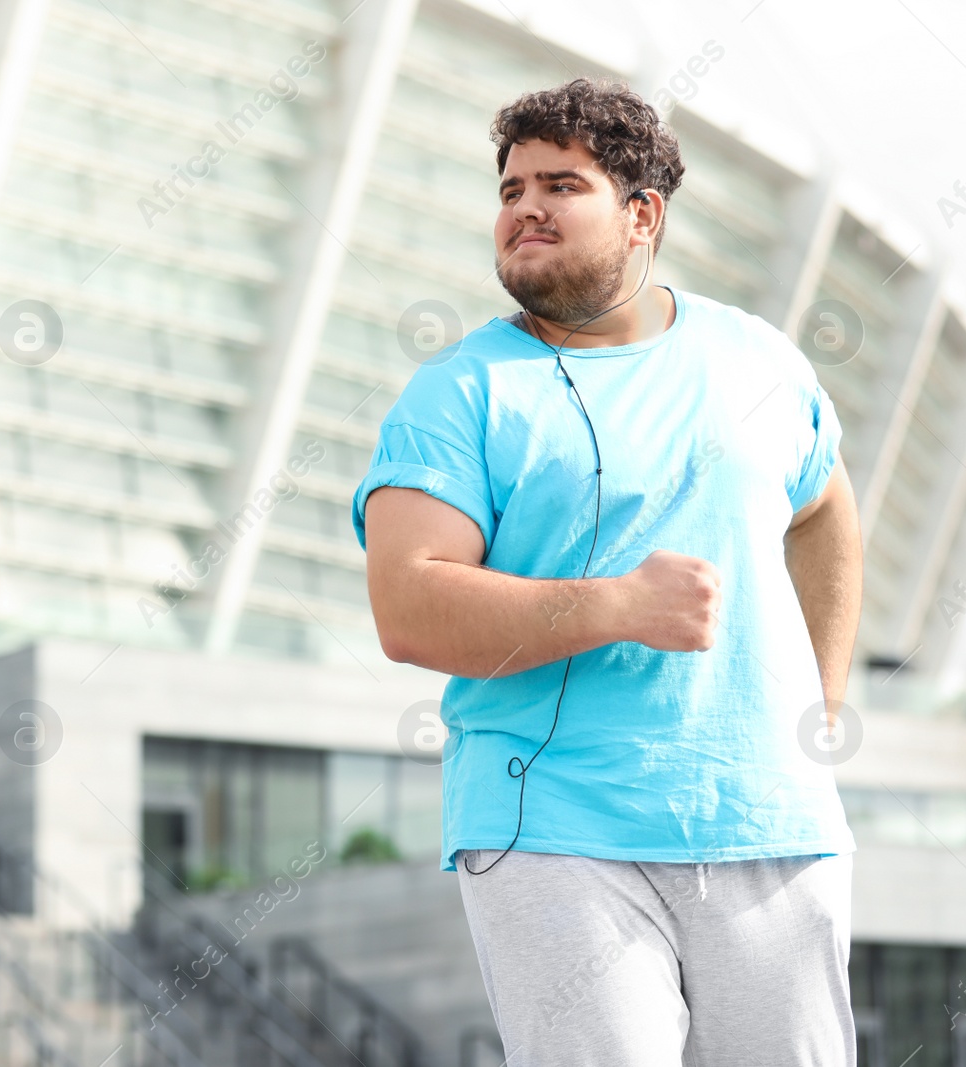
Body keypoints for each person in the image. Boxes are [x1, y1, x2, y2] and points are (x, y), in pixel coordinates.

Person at [351, 78, 863, 1065]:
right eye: (508, 190)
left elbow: (826, 507)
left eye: (559, 183)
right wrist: (620, 606)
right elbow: (408, 604)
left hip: (768, 813)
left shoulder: (757, 360)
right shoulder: (457, 392)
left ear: (641, 215)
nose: (524, 207)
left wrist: (823, 703)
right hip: (553, 823)